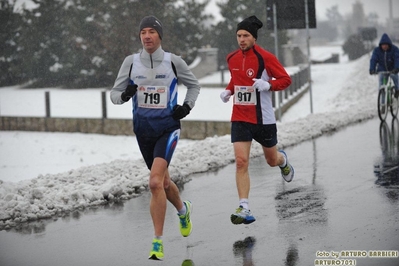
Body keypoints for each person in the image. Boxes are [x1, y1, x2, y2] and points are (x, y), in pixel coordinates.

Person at [110, 15, 200, 261]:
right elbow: (114, 95)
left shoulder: (173, 61)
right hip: (143, 130)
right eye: (143, 32)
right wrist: (125, 95)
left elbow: (194, 85)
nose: (147, 36)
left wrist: (187, 106)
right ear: (139, 37)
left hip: (168, 128)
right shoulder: (130, 62)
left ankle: (157, 243)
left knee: (153, 183)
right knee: (164, 183)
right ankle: (183, 210)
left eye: (152, 31)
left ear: (159, 36)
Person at [219, 15, 294, 225]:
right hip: (240, 118)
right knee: (241, 162)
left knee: (271, 160)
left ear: (254, 38)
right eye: (239, 35)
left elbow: (286, 80)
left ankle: (283, 161)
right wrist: (228, 91)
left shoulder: (265, 58)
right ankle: (244, 206)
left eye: (246, 35)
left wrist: (268, 85)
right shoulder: (231, 57)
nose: (241, 39)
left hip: (264, 119)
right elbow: (237, 78)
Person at [369, 33, 399, 98]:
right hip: (382, 70)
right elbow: (373, 59)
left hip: (392, 69)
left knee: (395, 79)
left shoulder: (394, 49)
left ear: (389, 45)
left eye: (386, 45)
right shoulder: (377, 51)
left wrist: (396, 68)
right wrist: (372, 69)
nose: (384, 46)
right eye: (383, 45)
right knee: (381, 87)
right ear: (381, 45)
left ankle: (397, 90)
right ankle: (382, 104)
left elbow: (397, 59)